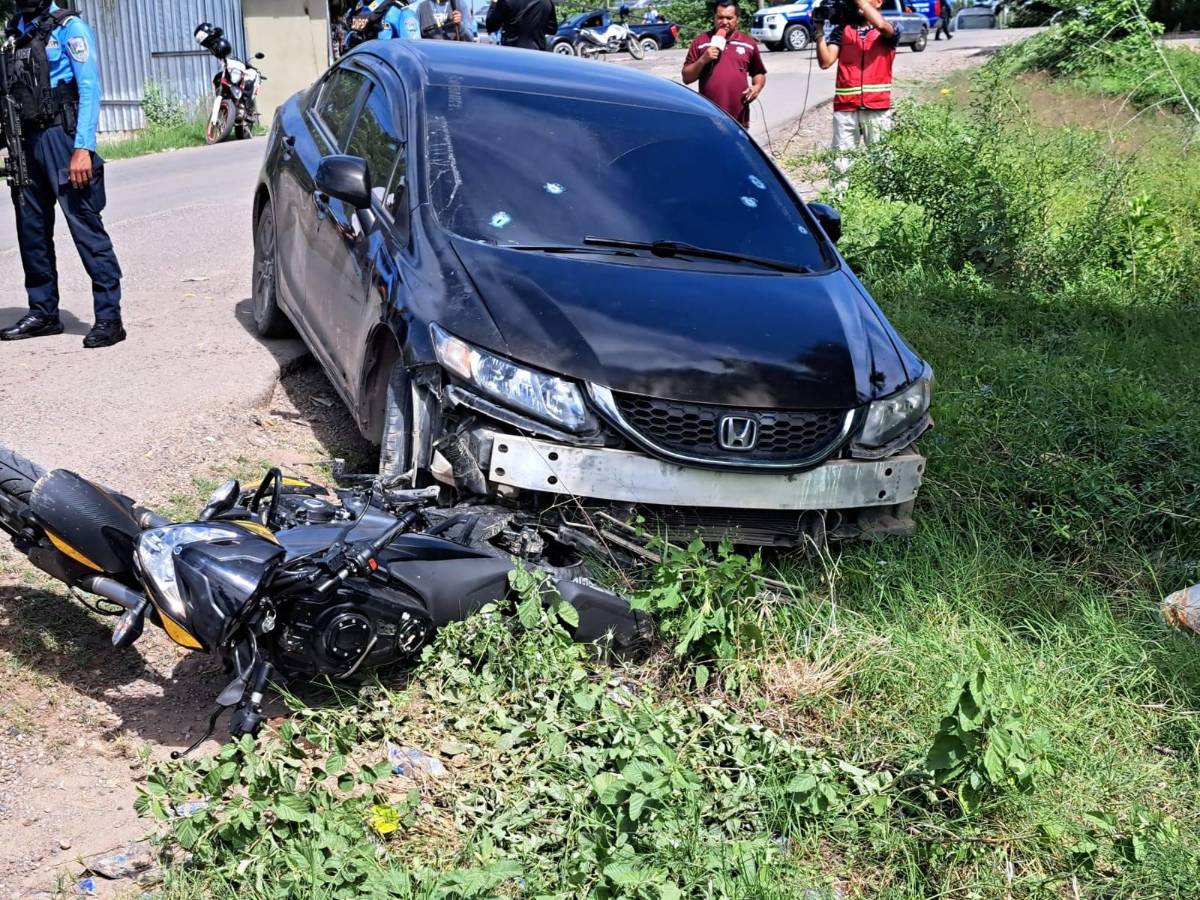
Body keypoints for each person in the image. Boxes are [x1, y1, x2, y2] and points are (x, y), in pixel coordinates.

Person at [0, 0, 123, 348]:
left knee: (85, 228)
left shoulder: (69, 28)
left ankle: (109, 317)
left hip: (62, 137)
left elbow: (89, 88)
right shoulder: (15, 32)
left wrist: (82, 147)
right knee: (32, 232)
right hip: (25, 141)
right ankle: (43, 313)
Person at [815, 0, 902, 178]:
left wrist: (861, 3)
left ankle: (884, 203)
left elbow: (881, 26)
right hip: (846, 108)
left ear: (878, 2)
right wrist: (818, 32)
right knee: (840, 164)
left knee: (883, 163)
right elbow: (826, 61)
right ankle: (838, 202)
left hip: (877, 108)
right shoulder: (843, 30)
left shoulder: (889, 29)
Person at [681, 1, 766, 128]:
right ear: (714, 18)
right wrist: (703, 60)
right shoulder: (701, 42)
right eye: (720, 17)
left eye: (729, 18)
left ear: (737, 19)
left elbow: (758, 72)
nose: (724, 22)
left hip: (739, 116)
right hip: (709, 116)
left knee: (738, 148)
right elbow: (687, 78)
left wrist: (756, 87)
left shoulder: (748, 43)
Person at [342, 0, 421, 52]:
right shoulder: (357, 9)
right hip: (358, 64)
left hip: (388, 69)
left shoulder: (399, 9)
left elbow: (413, 49)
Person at [484, 0, 558, 50]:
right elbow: (552, 29)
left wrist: (494, 3)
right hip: (537, 53)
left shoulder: (506, 1)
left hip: (513, 53)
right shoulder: (547, 2)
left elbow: (491, 26)